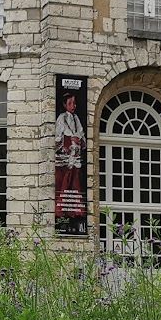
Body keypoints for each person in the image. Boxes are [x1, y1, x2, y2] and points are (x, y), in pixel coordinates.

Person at [54, 93, 86, 223]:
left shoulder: (76, 118)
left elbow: (81, 133)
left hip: (75, 154)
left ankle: (76, 210)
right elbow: (58, 136)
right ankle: (62, 209)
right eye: (70, 103)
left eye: (74, 103)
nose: (73, 106)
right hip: (65, 156)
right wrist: (69, 139)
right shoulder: (61, 118)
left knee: (75, 181)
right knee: (65, 181)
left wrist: (80, 140)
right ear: (64, 105)